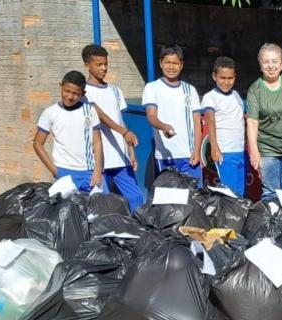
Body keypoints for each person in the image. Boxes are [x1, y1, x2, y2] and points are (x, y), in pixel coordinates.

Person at [82, 44, 143, 212]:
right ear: (87, 65)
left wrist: (131, 151)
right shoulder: (84, 92)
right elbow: (100, 116)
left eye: (106, 64)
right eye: (99, 64)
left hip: (120, 158)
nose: (104, 68)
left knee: (136, 197)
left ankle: (139, 233)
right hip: (98, 160)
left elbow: (120, 120)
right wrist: (124, 132)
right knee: (105, 204)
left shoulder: (115, 90)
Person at [33, 70, 107, 193]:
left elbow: (97, 142)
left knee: (100, 209)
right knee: (66, 211)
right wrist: (55, 171)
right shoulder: (50, 113)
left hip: (89, 172)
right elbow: (37, 144)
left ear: (83, 94)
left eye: (76, 93)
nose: (70, 96)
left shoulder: (90, 111)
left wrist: (98, 170)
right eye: (67, 91)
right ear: (60, 86)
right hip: (63, 172)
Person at [246, 43, 282, 200]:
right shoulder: (255, 90)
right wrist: (254, 150)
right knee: (271, 193)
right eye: (265, 62)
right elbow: (252, 122)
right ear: (260, 65)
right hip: (267, 148)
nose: (270, 66)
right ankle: (272, 224)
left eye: (274, 61)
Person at [142, 44, 202, 184]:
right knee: (169, 201)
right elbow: (151, 116)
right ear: (160, 63)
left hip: (189, 156)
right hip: (165, 156)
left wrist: (197, 150)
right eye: (167, 62)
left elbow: (197, 122)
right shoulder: (152, 88)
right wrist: (163, 126)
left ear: (181, 65)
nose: (171, 67)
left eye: (175, 63)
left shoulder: (190, 90)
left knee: (194, 198)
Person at [202, 57, 247, 197]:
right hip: (225, 152)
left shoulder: (236, 95)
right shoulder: (210, 97)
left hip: (240, 151)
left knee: (240, 192)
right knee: (229, 193)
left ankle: (238, 218)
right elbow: (210, 120)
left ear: (235, 77)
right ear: (214, 76)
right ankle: (228, 219)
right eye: (222, 78)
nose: (226, 82)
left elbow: (243, 118)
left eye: (230, 78)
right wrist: (214, 147)